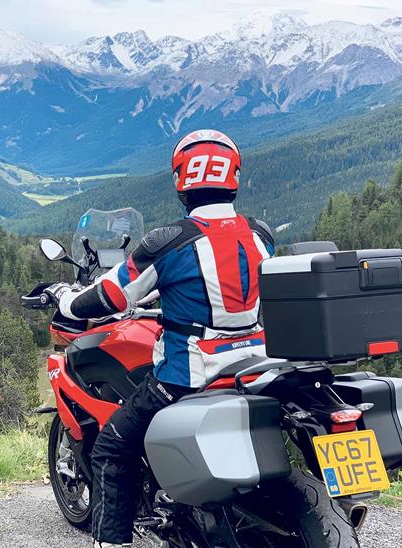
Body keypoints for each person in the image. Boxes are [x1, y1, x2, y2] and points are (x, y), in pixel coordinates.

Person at [44, 129, 275, 548]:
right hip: (257, 368)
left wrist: (67, 304)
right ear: (233, 176)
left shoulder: (169, 241)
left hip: (188, 378)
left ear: (181, 180)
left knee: (113, 447)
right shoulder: (260, 234)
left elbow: (111, 295)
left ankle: (111, 542)